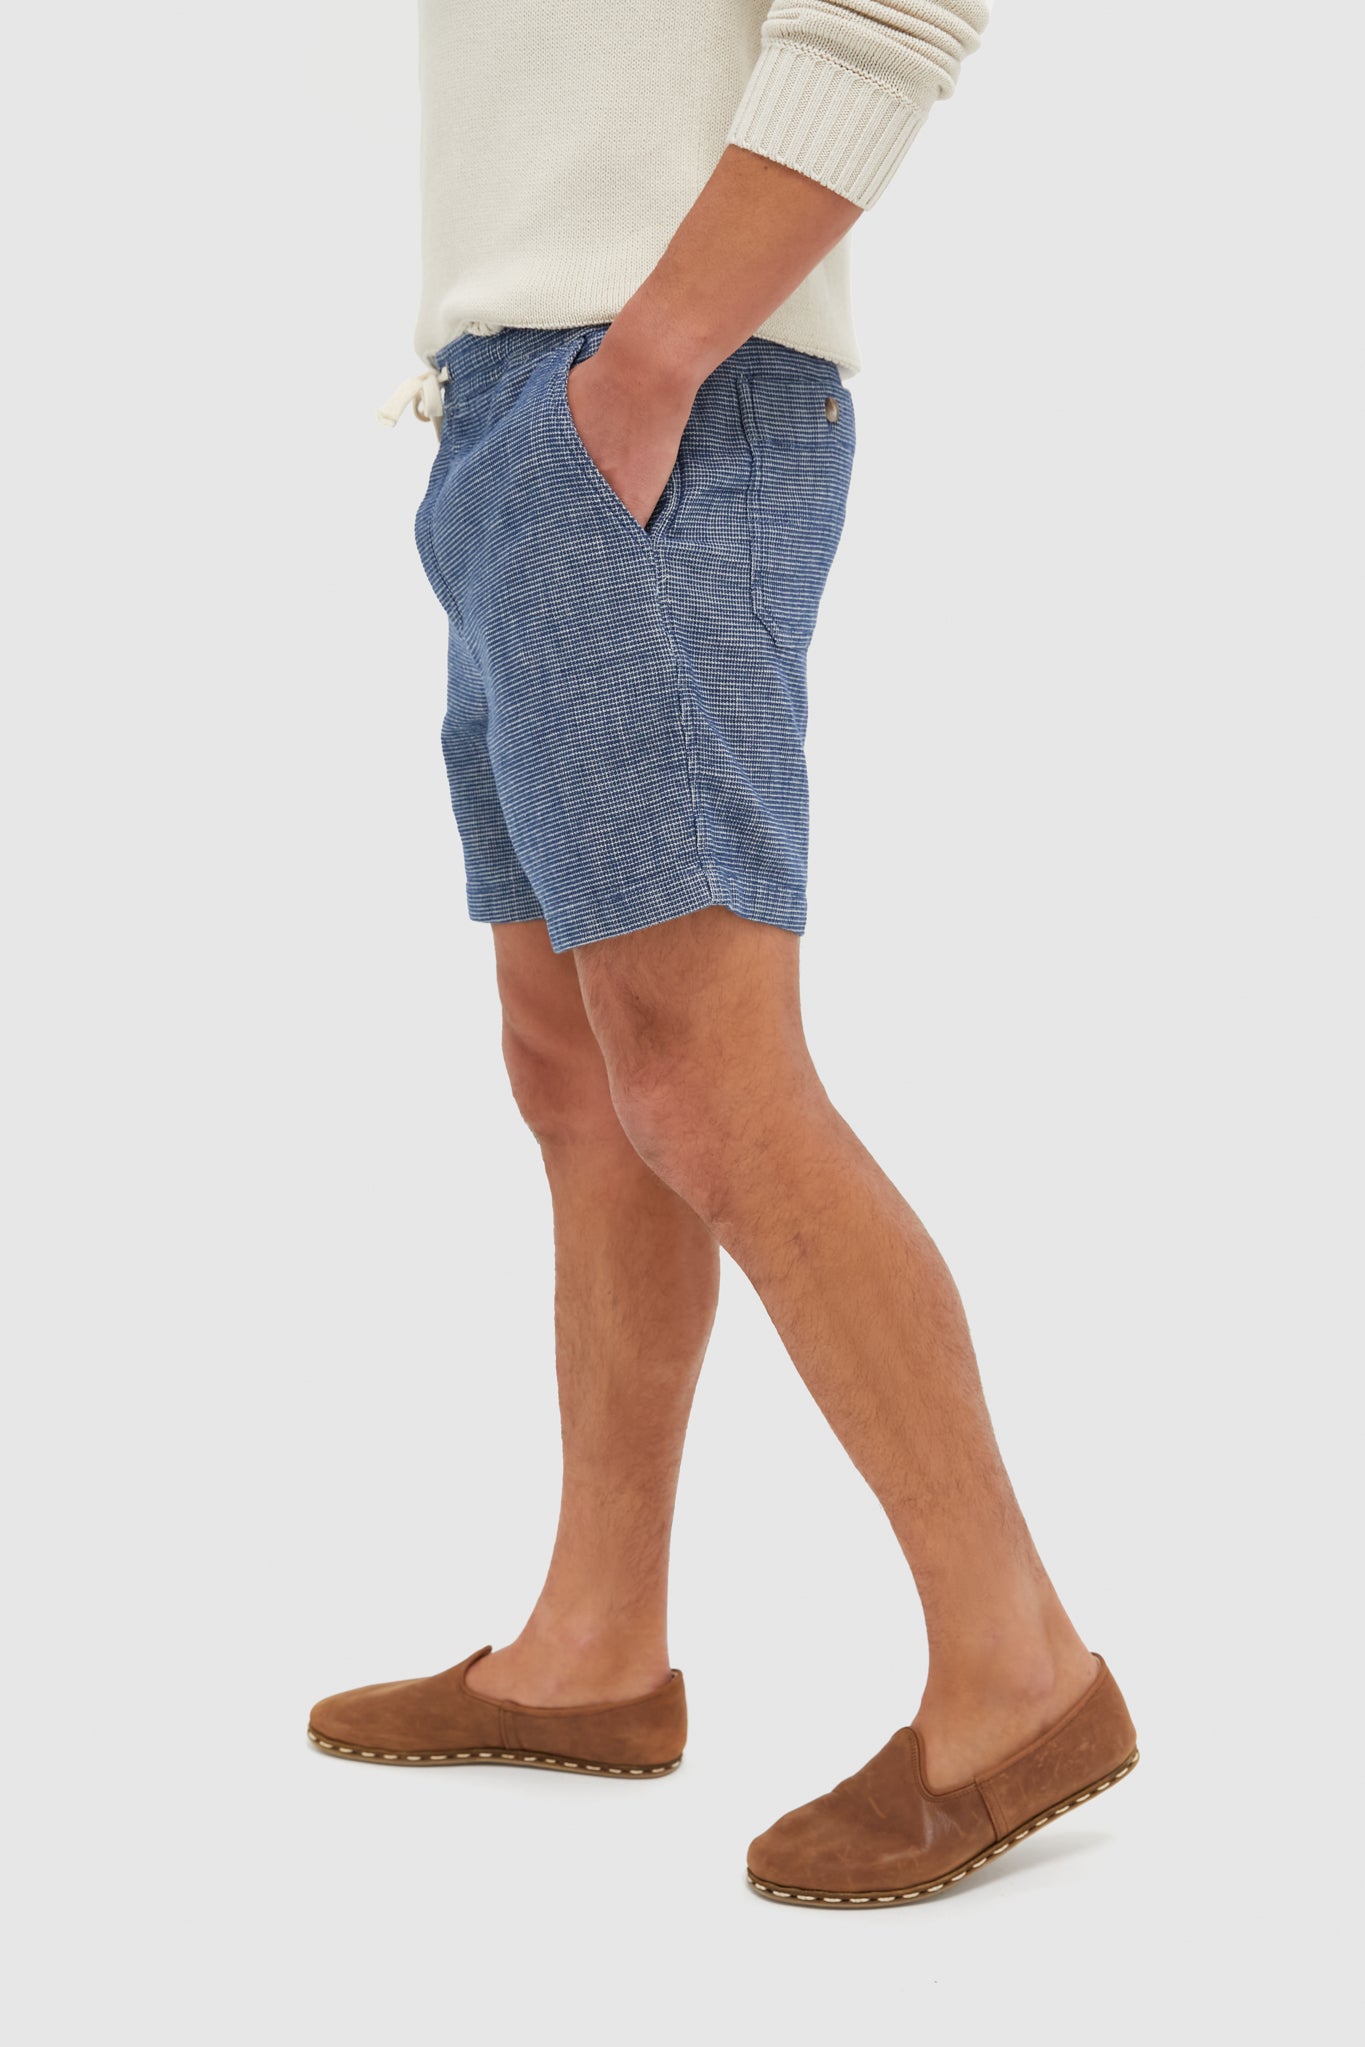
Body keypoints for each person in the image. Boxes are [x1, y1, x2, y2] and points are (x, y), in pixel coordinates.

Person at [308, 0, 1139, 1910]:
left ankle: (1018, 1674)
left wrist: (655, 357)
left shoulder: (653, 377)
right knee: (575, 1069)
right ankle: (591, 1650)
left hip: (661, 394)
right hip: (518, 409)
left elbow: (894, 15)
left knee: (703, 1076)